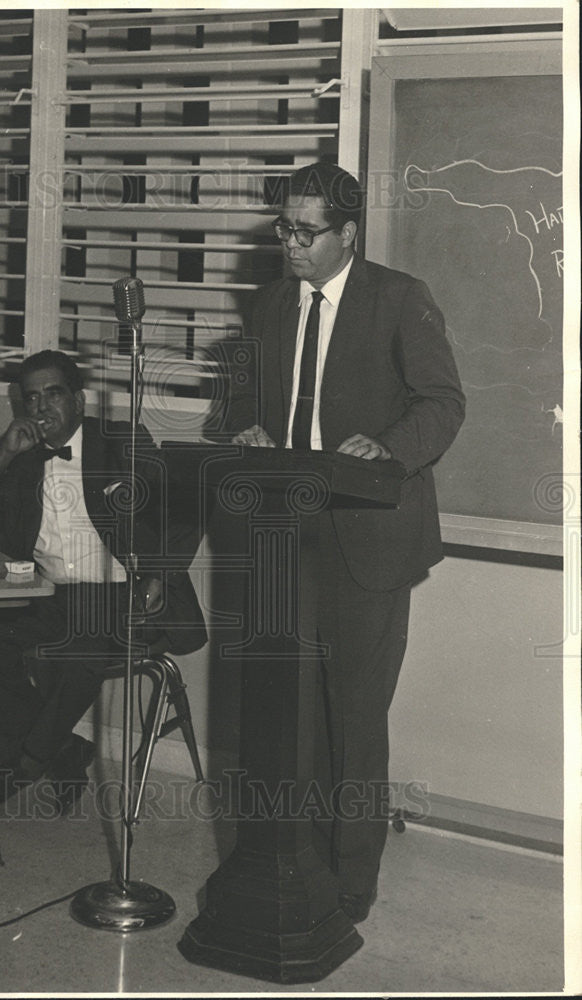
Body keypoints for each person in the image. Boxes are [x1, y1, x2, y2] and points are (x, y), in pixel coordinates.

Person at [227, 162, 465, 922]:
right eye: (283, 230)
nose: (290, 244)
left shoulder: (398, 299)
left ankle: (352, 876)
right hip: (282, 540)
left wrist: (389, 448)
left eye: (306, 231)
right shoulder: (267, 306)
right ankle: (287, 857)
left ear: (348, 234)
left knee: (355, 717)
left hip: (367, 540)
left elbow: (443, 402)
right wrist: (242, 425)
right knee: (283, 714)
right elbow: (235, 398)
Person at [0, 349, 207, 814]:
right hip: (48, 594)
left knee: (83, 644)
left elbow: (184, 509)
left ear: (79, 400)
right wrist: (1, 457)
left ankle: (27, 760)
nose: (42, 408)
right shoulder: (23, 458)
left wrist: (159, 574)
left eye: (54, 394)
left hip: (122, 594)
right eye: (32, 398)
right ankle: (63, 748)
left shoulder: (121, 442)